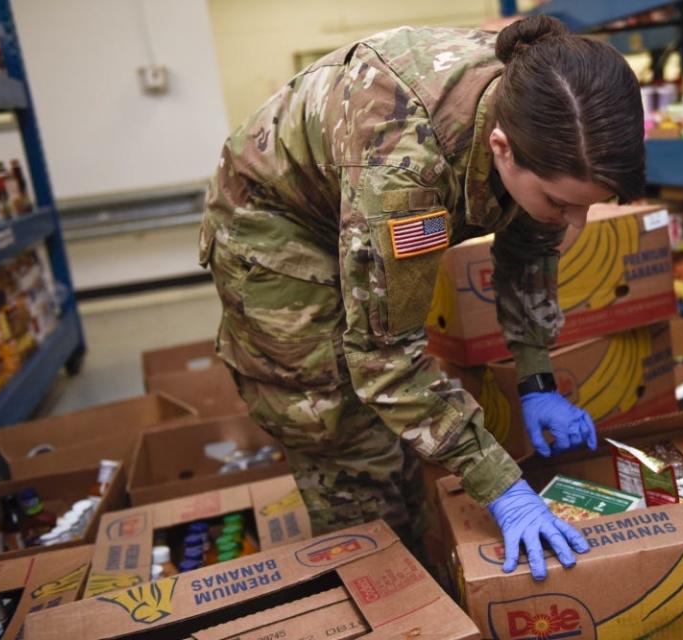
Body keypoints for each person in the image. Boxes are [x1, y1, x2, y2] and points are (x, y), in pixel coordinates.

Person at [199, 15, 645, 581]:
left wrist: (536, 380)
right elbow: (384, 362)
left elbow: (530, 250)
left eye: (590, 204)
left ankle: (419, 547)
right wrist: (500, 486)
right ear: (502, 149)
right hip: (274, 226)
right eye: (561, 203)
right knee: (338, 426)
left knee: (401, 428)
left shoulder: (551, 97)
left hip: (358, 192)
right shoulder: (403, 169)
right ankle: (381, 586)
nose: (576, 223)